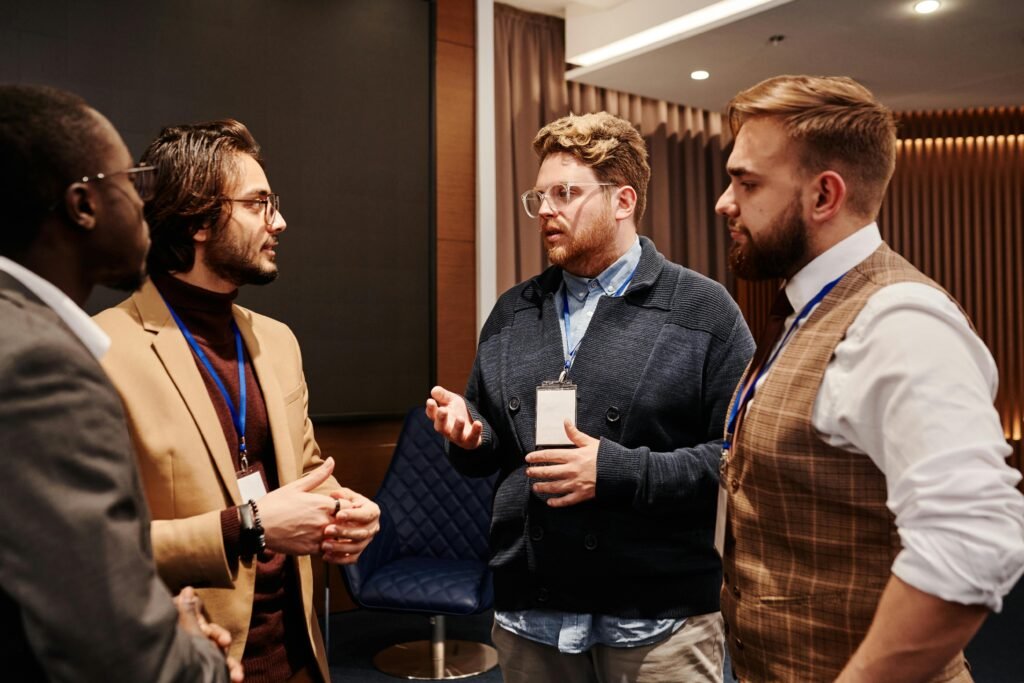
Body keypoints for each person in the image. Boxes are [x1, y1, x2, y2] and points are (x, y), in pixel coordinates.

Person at [715, 74, 1024, 682]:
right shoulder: (807, 306)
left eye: (746, 182)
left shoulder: (898, 320)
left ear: (824, 195)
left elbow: (975, 539)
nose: (726, 201)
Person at [427, 111, 754, 682]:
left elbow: (740, 457)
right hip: (532, 613)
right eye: (539, 196)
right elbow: (493, 445)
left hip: (656, 621)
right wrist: (471, 432)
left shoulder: (703, 311)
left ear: (623, 200)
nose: (546, 210)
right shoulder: (513, 311)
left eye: (565, 193)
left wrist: (617, 471)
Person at [95, 119, 380, 683]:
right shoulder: (103, 349)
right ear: (199, 218)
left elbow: (304, 475)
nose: (279, 222)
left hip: (300, 656)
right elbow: (94, 548)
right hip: (193, 660)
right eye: (258, 204)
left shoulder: (277, 341)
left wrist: (345, 511)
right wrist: (245, 527)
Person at [0, 84, 242, 682]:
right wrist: (202, 659)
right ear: (83, 205)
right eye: (131, 183)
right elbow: (111, 649)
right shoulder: (40, 367)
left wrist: (159, 612)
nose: (143, 206)